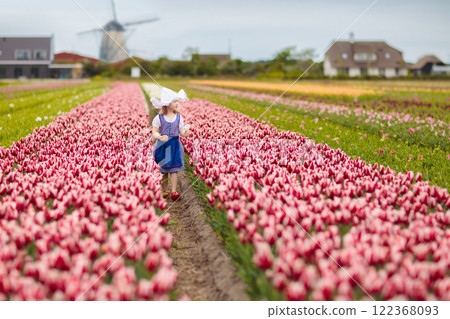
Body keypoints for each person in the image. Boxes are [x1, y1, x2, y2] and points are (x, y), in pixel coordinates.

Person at [151, 87, 191, 201]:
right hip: (162, 146)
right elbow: (154, 131)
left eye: (177, 101)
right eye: (175, 101)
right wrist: (159, 137)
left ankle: (174, 191)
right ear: (167, 104)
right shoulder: (158, 118)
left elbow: (181, 131)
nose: (177, 103)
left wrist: (185, 133)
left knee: (174, 170)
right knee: (163, 170)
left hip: (174, 145)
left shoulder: (179, 117)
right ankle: (165, 190)